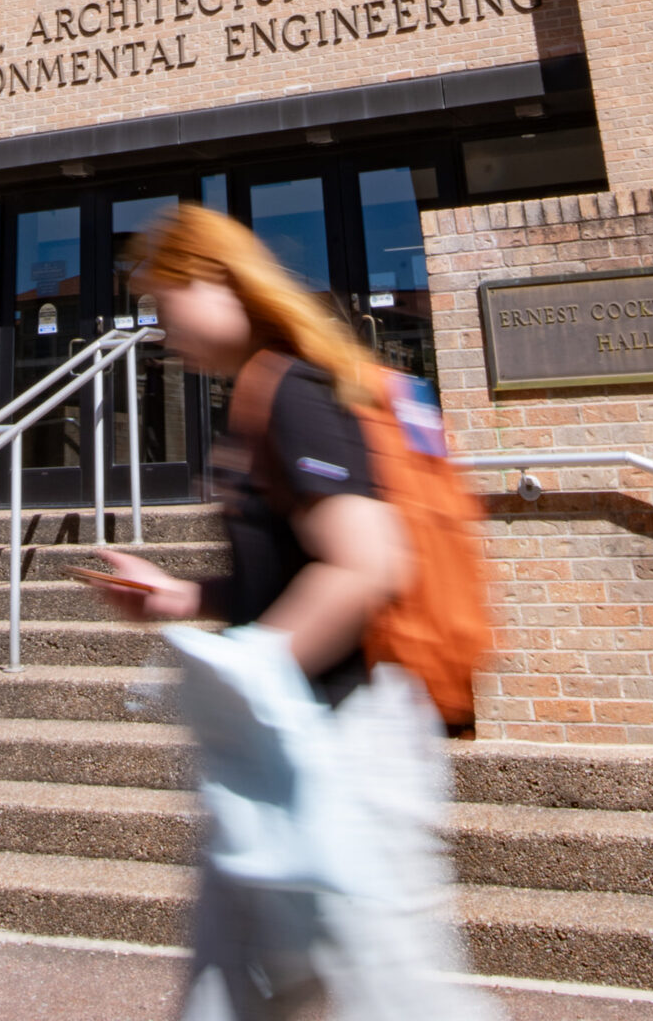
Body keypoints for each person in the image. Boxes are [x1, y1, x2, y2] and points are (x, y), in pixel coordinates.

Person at [92, 203, 498, 1021]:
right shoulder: (260, 394)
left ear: (208, 279)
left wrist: (250, 672)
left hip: (342, 742)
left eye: (160, 303)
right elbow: (295, 567)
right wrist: (183, 597)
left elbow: (364, 562)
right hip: (307, 744)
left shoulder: (291, 392)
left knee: (377, 992)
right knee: (270, 985)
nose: (159, 328)